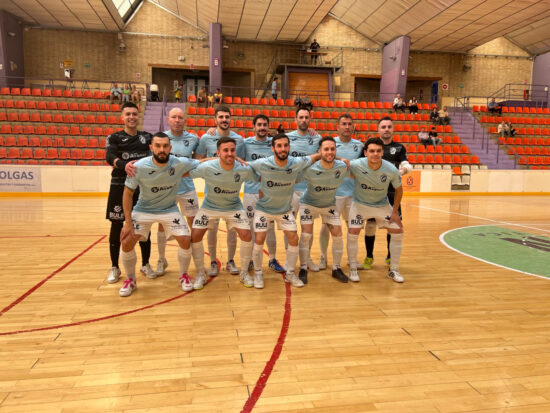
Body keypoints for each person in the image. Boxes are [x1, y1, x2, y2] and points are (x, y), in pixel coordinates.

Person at [118, 133, 200, 297]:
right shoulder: (139, 167)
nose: (161, 149)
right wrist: (127, 223)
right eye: (158, 146)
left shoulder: (178, 163)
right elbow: (127, 194)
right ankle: (130, 279)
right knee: (126, 241)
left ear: (170, 148)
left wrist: (228, 160)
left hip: (169, 209)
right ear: (151, 148)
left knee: (185, 239)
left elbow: (201, 162)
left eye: (165, 146)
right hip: (143, 210)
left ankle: (183, 275)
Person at [248, 133, 321, 288]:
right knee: (259, 239)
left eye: (285, 145)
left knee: (293, 238)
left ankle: (290, 273)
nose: (283, 149)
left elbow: (316, 156)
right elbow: (244, 167)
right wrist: (259, 182)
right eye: (279, 146)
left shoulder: (296, 162)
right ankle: (259, 273)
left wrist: (340, 159)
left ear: (289, 147)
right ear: (273, 148)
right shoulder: (262, 163)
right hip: (264, 209)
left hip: (284, 210)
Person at [189, 137, 255, 290]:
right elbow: (186, 171)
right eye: (225, 150)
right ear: (218, 153)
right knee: (195, 235)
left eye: (232, 150)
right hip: (209, 206)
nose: (230, 153)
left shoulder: (243, 168)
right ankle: (200, 273)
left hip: (233, 207)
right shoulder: (208, 167)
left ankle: (244, 272)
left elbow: (260, 175)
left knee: (246, 235)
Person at [105, 102, 154, 284]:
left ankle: (146, 263)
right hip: (119, 185)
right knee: (117, 225)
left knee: (143, 225)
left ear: (138, 116)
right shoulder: (114, 137)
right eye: (128, 114)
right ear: (122, 117)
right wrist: (123, 165)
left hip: (142, 188)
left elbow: (161, 146)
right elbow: (109, 156)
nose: (132, 117)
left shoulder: (147, 137)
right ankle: (115, 267)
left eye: (134, 114)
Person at [196, 106, 245, 277]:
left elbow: (242, 163)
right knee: (212, 229)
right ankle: (212, 262)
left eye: (227, 117)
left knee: (232, 230)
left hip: (232, 194)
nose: (224, 119)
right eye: (221, 117)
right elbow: (198, 160)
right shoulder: (206, 138)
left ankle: (230, 261)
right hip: (211, 194)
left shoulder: (239, 139)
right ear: (215, 119)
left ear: (231, 119)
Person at [348, 137, 405, 283]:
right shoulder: (356, 164)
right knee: (353, 233)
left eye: (378, 151)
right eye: (372, 151)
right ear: (366, 152)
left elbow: (399, 190)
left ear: (382, 152)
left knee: (398, 230)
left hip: (382, 205)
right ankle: (353, 268)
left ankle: (394, 269)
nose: (375, 154)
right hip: (360, 205)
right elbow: (342, 165)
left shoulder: (391, 169)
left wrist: (395, 212)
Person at [153, 107, 199, 277]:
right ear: (168, 119)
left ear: (185, 120)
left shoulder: (194, 139)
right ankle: (161, 259)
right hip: (166, 189)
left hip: (188, 188)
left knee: (194, 224)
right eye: (174, 117)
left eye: (180, 117)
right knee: (161, 224)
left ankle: (196, 257)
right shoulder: (161, 139)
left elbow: (198, 161)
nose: (177, 120)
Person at [298, 137, 349, 284]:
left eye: (332, 149)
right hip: (308, 204)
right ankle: (302, 268)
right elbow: (293, 178)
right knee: (306, 235)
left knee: (338, 234)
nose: (330, 152)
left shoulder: (342, 167)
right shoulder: (310, 168)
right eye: (326, 149)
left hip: (329, 205)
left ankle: (336, 268)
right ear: (319, 152)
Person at [363, 116, 411, 272]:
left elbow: (406, 164)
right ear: (378, 130)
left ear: (393, 129)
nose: (386, 129)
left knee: (393, 225)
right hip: (373, 194)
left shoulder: (399, 148)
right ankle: (369, 256)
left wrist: (403, 170)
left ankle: (390, 256)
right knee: (370, 226)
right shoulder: (371, 146)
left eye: (389, 127)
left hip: (391, 194)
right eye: (383, 127)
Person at [318, 114, 362, 270]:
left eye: (350, 124)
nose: (347, 126)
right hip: (333, 194)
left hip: (353, 194)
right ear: (338, 126)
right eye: (344, 124)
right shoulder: (330, 144)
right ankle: (323, 258)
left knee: (353, 227)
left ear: (353, 126)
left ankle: (352, 259)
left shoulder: (359, 145)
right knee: (326, 226)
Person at [243, 114, 285, 274]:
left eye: (264, 125)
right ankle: (252, 260)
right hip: (250, 193)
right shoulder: (245, 143)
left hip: (269, 193)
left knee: (269, 229)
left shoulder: (274, 144)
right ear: (253, 127)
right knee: (251, 229)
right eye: (259, 125)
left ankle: (272, 259)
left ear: (268, 126)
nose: (262, 127)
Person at [287, 107, 322, 272]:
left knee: (308, 227)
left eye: (306, 117)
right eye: (300, 117)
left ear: (310, 119)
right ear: (295, 119)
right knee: (290, 227)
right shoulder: (287, 138)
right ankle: (290, 259)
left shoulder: (317, 139)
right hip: (291, 190)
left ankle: (307, 258)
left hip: (309, 190)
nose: (303, 120)